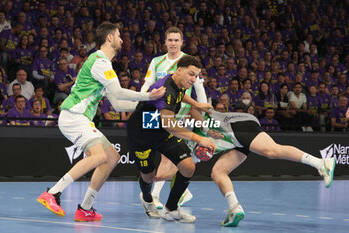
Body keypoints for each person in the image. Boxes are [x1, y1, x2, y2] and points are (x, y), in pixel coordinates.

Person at [37, 22, 165, 222]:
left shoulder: (104, 66)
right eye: (119, 35)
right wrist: (149, 96)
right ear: (109, 38)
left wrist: (153, 107)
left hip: (80, 118)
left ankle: (85, 208)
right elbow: (119, 92)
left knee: (112, 157)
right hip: (74, 115)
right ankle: (53, 193)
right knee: (98, 156)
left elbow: (119, 104)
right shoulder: (99, 61)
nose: (122, 39)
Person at [171, 110, 335, 227]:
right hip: (236, 142)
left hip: (236, 125)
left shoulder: (188, 125)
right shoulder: (189, 152)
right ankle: (234, 208)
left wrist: (207, 130)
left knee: (271, 151)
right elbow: (175, 169)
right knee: (218, 171)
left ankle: (321, 163)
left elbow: (193, 111)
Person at [127, 55, 215, 223]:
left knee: (188, 166)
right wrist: (198, 139)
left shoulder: (179, 82)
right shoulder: (165, 88)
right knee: (149, 176)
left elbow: (180, 95)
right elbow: (169, 123)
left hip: (161, 132)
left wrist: (197, 105)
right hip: (142, 135)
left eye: (196, 75)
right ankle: (147, 199)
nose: (194, 79)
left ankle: (171, 209)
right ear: (179, 70)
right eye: (191, 74)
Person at [140, 27, 208, 209]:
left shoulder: (188, 62)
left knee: (169, 156)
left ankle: (155, 195)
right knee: (167, 156)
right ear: (165, 41)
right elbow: (147, 84)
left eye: (176, 40)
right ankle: (179, 193)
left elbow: (199, 88)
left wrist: (202, 111)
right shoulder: (156, 61)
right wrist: (139, 101)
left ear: (181, 42)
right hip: (159, 113)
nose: (173, 43)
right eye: (170, 40)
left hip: (182, 112)